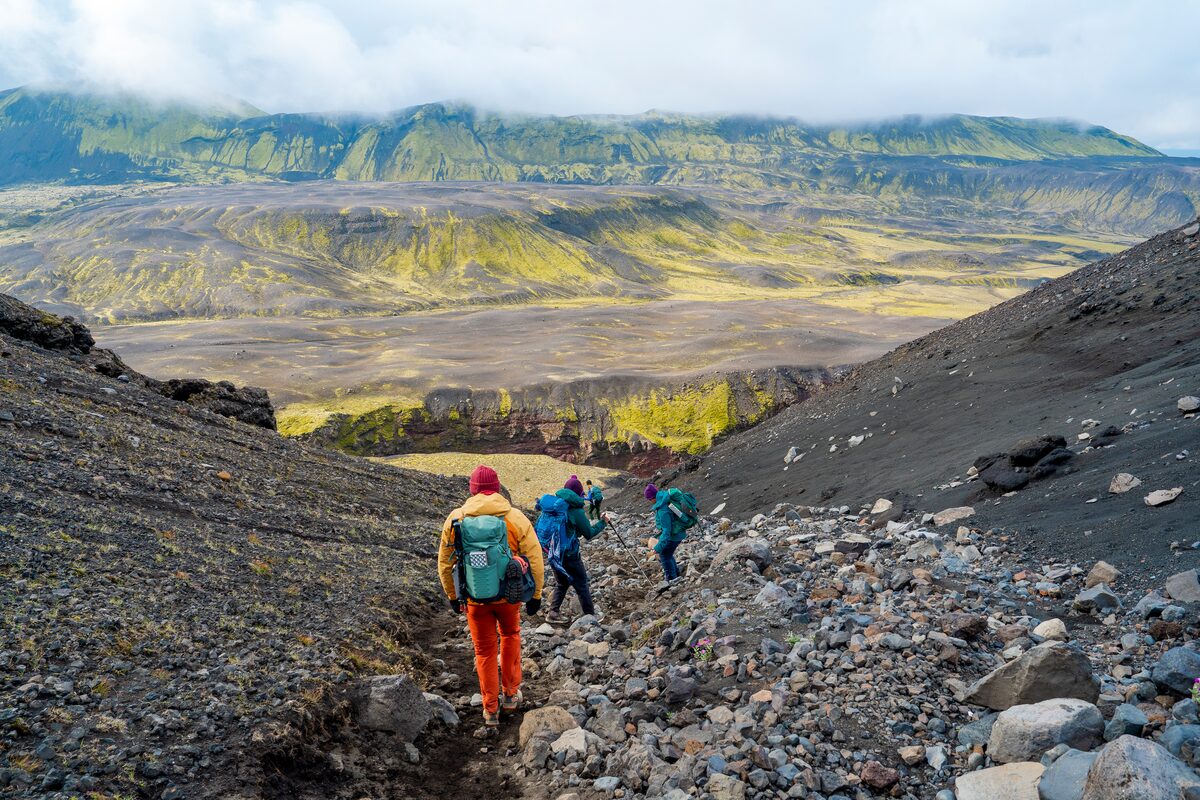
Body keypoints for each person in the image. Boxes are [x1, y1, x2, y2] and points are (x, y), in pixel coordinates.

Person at [438, 465, 544, 728]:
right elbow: (535, 557)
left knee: (484, 651)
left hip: (475, 599)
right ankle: (510, 695)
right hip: (508, 597)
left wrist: (453, 595)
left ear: (472, 489)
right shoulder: (515, 517)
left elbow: (445, 562)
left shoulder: (456, 518)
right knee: (510, 636)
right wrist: (536, 595)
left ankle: (490, 710)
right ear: (497, 488)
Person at [544, 475, 607, 622]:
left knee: (562, 583)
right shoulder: (576, 511)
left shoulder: (555, 505)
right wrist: (603, 522)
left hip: (555, 553)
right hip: (570, 555)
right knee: (582, 583)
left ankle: (552, 612)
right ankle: (590, 616)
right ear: (578, 493)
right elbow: (589, 534)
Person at [646, 482, 694, 582]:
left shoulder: (663, 509)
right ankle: (676, 574)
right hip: (680, 532)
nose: (650, 501)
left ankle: (672, 578)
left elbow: (666, 532)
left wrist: (657, 548)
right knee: (668, 553)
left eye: (649, 499)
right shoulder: (665, 498)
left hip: (675, 535)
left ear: (652, 498)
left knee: (664, 555)